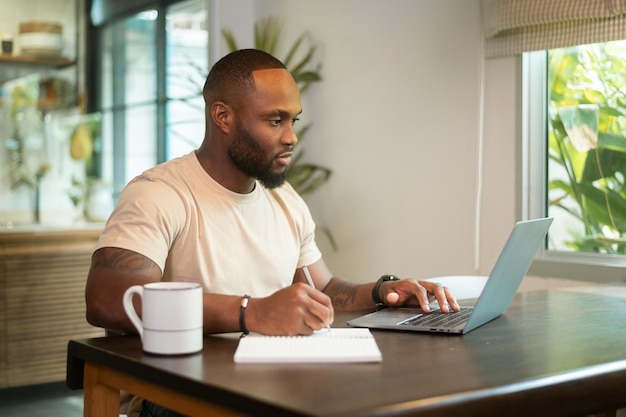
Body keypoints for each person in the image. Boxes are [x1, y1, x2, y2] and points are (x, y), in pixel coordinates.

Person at [85, 48, 460, 417]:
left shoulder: (283, 198)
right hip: (171, 395)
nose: (291, 137)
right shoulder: (157, 193)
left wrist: (387, 293)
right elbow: (107, 300)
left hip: (264, 385)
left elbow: (324, 289)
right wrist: (253, 312)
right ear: (223, 117)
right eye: (275, 120)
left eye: (293, 120)